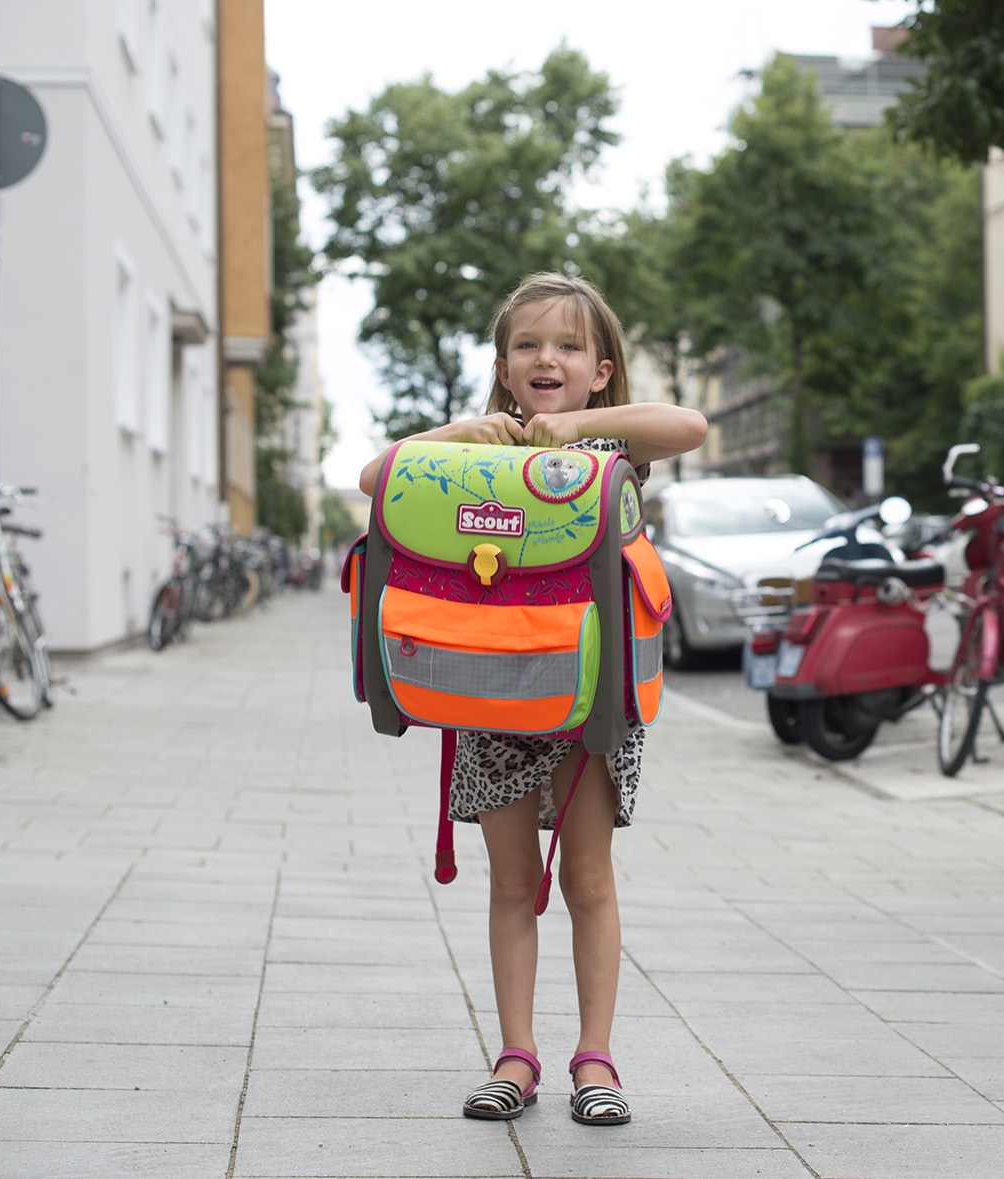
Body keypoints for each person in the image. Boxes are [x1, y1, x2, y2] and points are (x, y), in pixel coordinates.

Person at [357, 272, 706, 1127]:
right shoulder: (469, 454)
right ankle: (515, 1054)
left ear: (600, 367)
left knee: (588, 878)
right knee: (513, 881)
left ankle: (597, 1057)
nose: (546, 358)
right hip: (495, 695)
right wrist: (457, 429)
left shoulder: (611, 451)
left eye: (568, 346)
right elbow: (376, 476)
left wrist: (580, 424)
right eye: (527, 345)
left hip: (591, 703)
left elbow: (690, 425)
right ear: (504, 366)